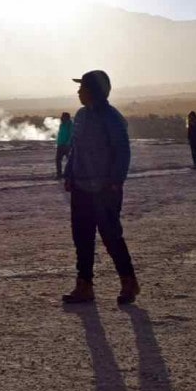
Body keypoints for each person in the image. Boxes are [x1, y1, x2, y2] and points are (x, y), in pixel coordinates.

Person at [62, 70, 140, 305]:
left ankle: (129, 282)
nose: (78, 92)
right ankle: (84, 285)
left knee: (111, 236)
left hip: (105, 189)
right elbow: (75, 148)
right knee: (82, 237)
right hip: (81, 187)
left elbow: (122, 151)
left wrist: (115, 182)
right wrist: (69, 174)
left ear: (93, 91)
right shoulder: (81, 115)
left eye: (82, 87)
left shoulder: (112, 118)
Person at [55, 111, 73, 178]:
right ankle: (59, 174)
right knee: (58, 160)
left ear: (66, 118)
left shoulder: (70, 125)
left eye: (63, 117)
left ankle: (70, 173)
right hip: (60, 145)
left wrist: (68, 143)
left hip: (66, 146)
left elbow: (71, 134)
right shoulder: (62, 125)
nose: (61, 118)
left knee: (70, 160)